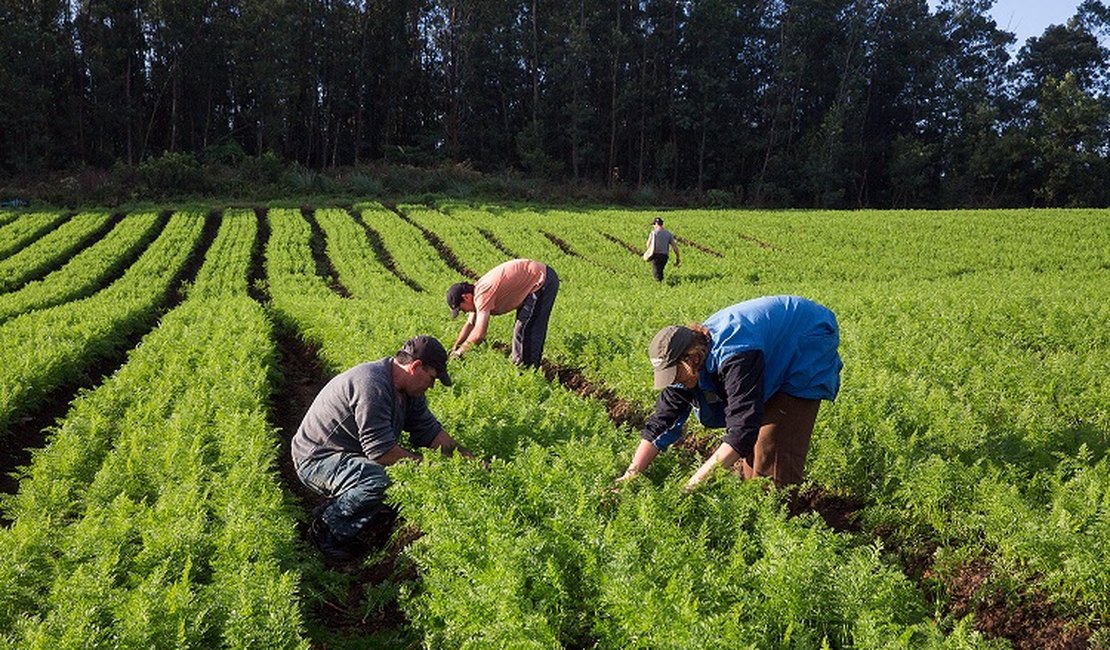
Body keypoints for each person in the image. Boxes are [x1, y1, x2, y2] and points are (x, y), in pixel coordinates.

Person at [616, 295, 842, 491]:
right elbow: (661, 423)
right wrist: (631, 474)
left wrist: (692, 486)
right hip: (770, 348)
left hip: (806, 340)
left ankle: (776, 522)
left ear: (693, 358)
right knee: (752, 455)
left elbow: (742, 430)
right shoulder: (687, 366)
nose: (674, 383)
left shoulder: (735, 356)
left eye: (675, 376)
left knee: (773, 447)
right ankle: (753, 508)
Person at [292, 335, 475, 563]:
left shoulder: (409, 391)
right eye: (432, 378)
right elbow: (381, 452)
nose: (432, 385)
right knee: (379, 480)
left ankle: (346, 514)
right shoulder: (372, 385)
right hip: (316, 459)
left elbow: (430, 432)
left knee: (388, 481)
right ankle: (327, 528)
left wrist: (467, 458)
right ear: (416, 367)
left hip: (347, 455)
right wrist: (428, 465)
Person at [446, 258, 559, 367]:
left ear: (466, 297)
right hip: (535, 277)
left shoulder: (482, 295)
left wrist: (460, 353)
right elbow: (470, 324)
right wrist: (456, 347)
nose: (465, 312)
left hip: (542, 281)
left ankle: (526, 371)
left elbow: (479, 334)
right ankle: (524, 369)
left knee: (525, 329)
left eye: (461, 309)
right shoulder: (476, 292)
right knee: (523, 328)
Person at [644, 217, 680, 282]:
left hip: (655, 256)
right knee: (660, 271)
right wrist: (677, 257)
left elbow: (648, 244)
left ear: (655, 224)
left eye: (653, 225)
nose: (653, 226)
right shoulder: (668, 234)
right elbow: (674, 247)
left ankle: (661, 286)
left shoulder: (653, 233)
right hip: (664, 257)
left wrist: (648, 253)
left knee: (657, 275)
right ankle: (663, 283)